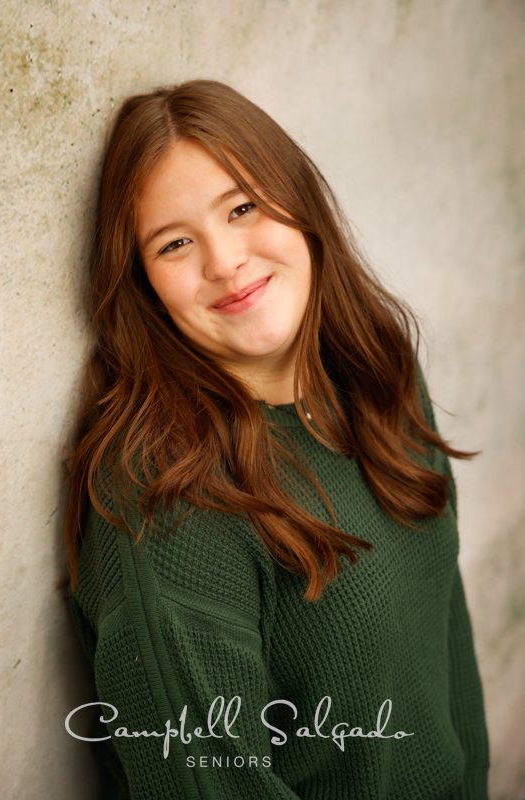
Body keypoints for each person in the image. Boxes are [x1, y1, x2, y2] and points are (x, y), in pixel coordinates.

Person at [64, 79, 490, 799]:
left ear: (301, 206)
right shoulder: (168, 498)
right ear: (143, 287)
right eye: (174, 243)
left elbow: (443, 645)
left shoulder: (375, 376)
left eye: (242, 207)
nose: (224, 261)